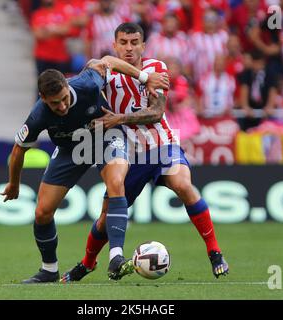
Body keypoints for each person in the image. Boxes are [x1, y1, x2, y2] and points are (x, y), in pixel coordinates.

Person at [61, 23, 228, 283]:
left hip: (162, 145)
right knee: (106, 219)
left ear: (143, 46)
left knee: (183, 184)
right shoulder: (106, 73)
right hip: (126, 155)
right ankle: (87, 264)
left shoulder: (156, 69)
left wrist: (118, 119)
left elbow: (157, 112)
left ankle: (214, 251)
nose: (129, 48)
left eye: (134, 42)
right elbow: (90, 73)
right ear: (115, 45)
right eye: (123, 42)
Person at [0, 55, 169, 284]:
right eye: (54, 103)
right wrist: (14, 183)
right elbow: (19, 150)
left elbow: (107, 60)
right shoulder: (39, 114)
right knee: (42, 212)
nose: (61, 106)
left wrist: (145, 77)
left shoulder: (88, 83)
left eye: (64, 98)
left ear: (68, 87)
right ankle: (49, 270)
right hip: (71, 150)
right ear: (43, 98)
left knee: (116, 183)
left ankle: (116, 257)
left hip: (105, 137)